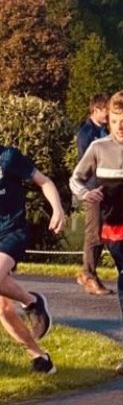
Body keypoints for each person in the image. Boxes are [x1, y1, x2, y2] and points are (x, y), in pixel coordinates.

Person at [70, 89, 123, 378]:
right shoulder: (99, 147)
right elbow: (76, 178)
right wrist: (87, 194)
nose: (120, 128)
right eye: (115, 121)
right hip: (113, 229)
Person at [0, 143, 64, 373]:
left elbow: (44, 181)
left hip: (11, 232)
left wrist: (57, 209)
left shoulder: (8, 157)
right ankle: (39, 357)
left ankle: (31, 301)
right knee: (4, 309)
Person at [76, 92, 110, 296]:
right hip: (92, 188)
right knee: (94, 234)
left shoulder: (105, 130)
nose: (108, 114)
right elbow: (85, 163)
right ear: (96, 109)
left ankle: (90, 273)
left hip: (106, 188)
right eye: (105, 110)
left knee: (104, 233)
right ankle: (88, 275)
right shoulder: (86, 133)